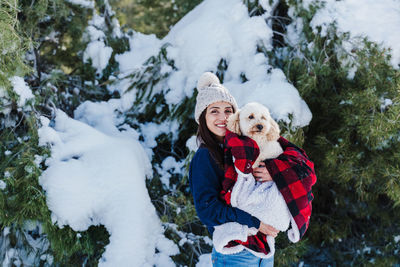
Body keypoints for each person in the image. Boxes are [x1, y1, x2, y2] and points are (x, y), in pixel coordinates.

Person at [189, 72, 316, 267]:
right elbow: (208, 211)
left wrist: (274, 171)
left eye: (228, 110)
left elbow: (303, 167)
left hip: (264, 248)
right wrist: (256, 223)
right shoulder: (205, 156)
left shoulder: (250, 145)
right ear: (203, 117)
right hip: (235, 250)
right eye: (214, 111)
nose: (222, 117)